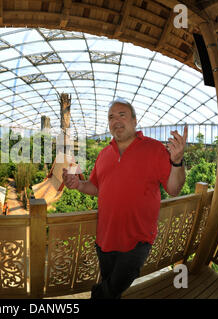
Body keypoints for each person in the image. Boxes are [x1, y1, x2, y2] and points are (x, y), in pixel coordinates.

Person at [62, 99, 187, 299]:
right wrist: (78, 184)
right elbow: (96, 187)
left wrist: (177, 161)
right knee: (109, 285)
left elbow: (174, 189)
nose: (116, 120)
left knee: (110, 290)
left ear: (135, 121)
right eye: (111, 117)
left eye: (122, 115)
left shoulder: (154, 149)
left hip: (137, 241)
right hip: (104, 239)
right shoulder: (103, 154)